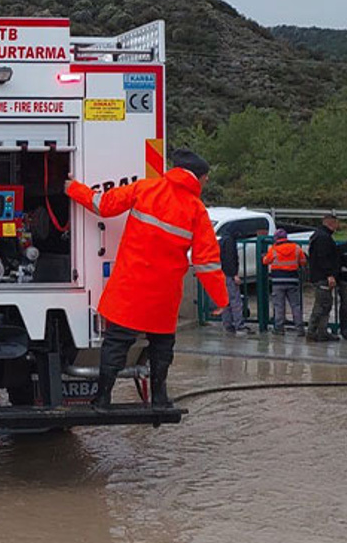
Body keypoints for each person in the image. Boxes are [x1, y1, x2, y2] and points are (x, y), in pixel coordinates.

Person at [66, 149, 228, 409]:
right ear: (197, 177)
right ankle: (160, 399)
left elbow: (103, 205)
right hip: (164, 292)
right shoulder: (196, 210)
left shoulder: (146, 188)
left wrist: (74, 188)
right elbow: (206, 261)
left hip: (130, 286)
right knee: (162, 345)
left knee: (116, 342)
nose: (207, 182)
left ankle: (103, 398)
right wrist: (220, 298)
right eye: (206, 178)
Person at [262, 228, 308, 334]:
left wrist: (264, 256)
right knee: (295, 305)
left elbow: (265, 261)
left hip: (278, 281)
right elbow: (303, 262)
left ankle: (279, 328)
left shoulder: (273, 249)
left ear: (276, 238)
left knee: (279, 306)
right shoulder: (296, 248)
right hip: (293, 280)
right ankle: (300, 328)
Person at [305, 213, 341, 342]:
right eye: (336, 223)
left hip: (319, 276)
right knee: (322, 305)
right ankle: (313, 331)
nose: (338, 226)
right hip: (323, 277)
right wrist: (330, 274)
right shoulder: (323, 238)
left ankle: (321, 331)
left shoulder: (319, 235)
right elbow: (323, 258)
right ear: (331, 223)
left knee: (325, 304)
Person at [217, 227, 251, 335]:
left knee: (225, 302)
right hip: (229, 275)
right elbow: (230, 259)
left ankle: (227, 325)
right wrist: (234, 274)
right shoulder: (230, 242)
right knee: (235, 300)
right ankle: (239, 325)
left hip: (220, 274)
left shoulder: (220, 241)